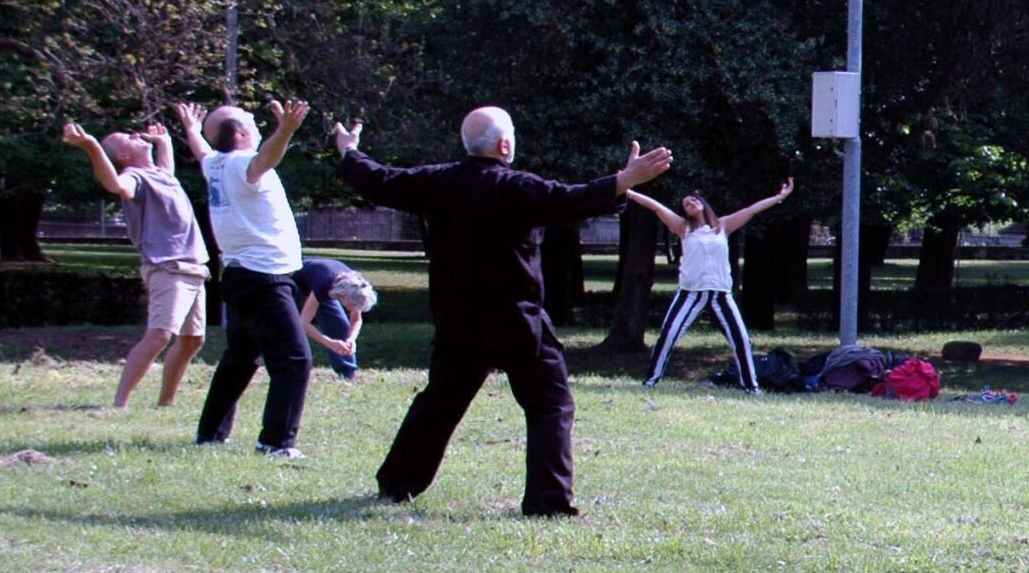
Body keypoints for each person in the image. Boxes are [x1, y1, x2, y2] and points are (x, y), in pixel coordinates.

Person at [330, 108, 673, 516]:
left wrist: (350, 152)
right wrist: (624, 181)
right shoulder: (516, 187)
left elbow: (381, 180)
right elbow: (566, 200)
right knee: (551, 406)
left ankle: (397, 484)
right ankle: (547, 503)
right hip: (516, 320)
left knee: (440, 403)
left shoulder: (437, 182)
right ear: (505, 145)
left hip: (458, 319)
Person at [175, 100, 313, 457]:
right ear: (240, 134)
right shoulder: (239, 164)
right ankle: (276, 444)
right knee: (294, 360)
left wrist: (192, 129)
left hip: (239, 275)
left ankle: (210, 435)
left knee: (241, 357)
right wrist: (285, 131)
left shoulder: (216, 164)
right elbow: (265, 160)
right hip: (265, 278)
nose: (257, 126)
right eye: (252, 122)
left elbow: (202, 149)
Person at [61, 120, 209, 408]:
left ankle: (165, 402)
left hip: (192, 267)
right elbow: (115, 185)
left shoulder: (161, 174)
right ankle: (120, 404)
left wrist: (164, 140)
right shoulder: (134, 177)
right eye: (127, 137)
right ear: (124, 157)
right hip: (169, 267)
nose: (134, 133)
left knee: (193, 340)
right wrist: (91, 145)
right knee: (159, 336)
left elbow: (166, 161)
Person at [626, 181, 794, 394]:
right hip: (690, 293)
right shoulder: (683, 228)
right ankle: (651, 380)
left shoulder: (722, 226)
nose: (691, 203)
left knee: (741, 340)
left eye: (694, 200)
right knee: (668, 335)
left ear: (703, 204)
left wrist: (780, 196)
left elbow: (751, 210)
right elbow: (656, 206)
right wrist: (629, 192)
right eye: (686, 204)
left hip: (721, 294)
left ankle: (751, 386)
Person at [292, 257, 377, 381]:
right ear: (344, 296)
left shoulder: (358, 289)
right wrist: (330, 343)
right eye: (351, 306)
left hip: (329, 282)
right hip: (298, 280)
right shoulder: (324, 286)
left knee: (340, 326)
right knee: (287, 326)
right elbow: (304, 323)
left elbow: (356, 319)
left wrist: (351, 340)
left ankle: (348, 374)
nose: (351, 310)